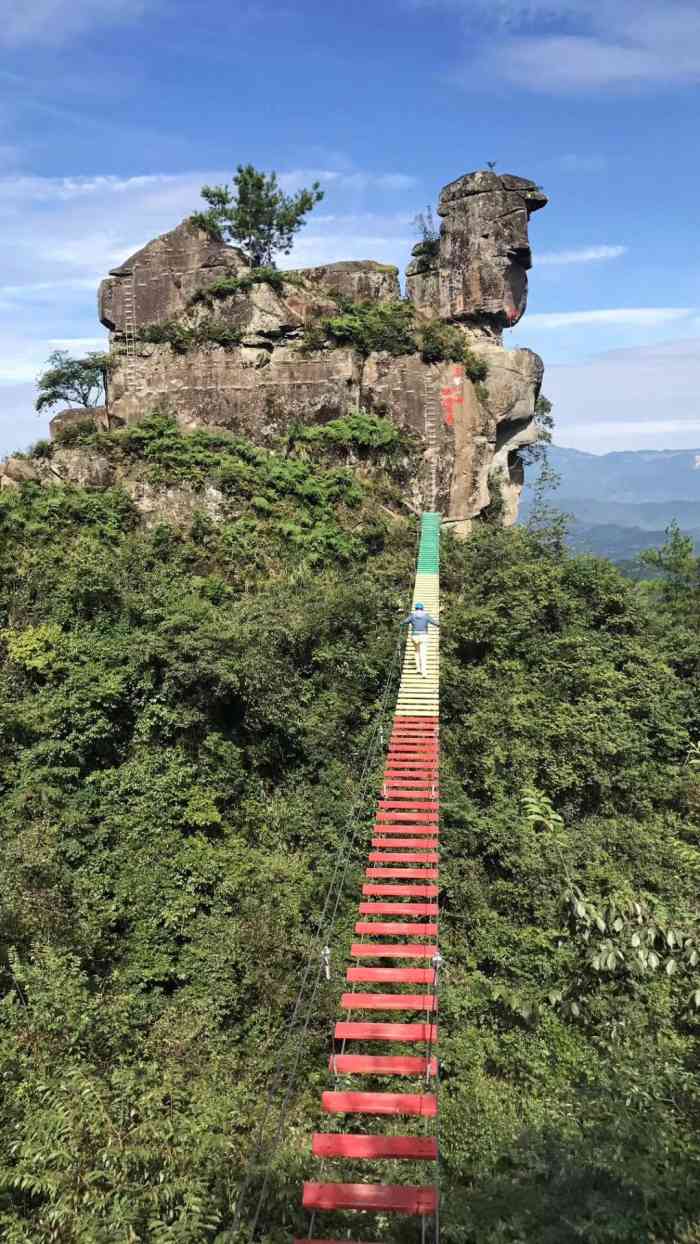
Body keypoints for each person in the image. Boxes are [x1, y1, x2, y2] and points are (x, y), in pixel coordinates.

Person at [400, 602, 439, 676]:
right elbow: (434, 622)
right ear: (422, 609)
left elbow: (404, 622)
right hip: (423, 636)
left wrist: (401, 623)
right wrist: (439, 624)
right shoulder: (426, 615)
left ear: (415, 609)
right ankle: (424, 672)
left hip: (415, 636)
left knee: (417, 652)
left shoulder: (412, 615)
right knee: (423, 654)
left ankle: (418, 669)